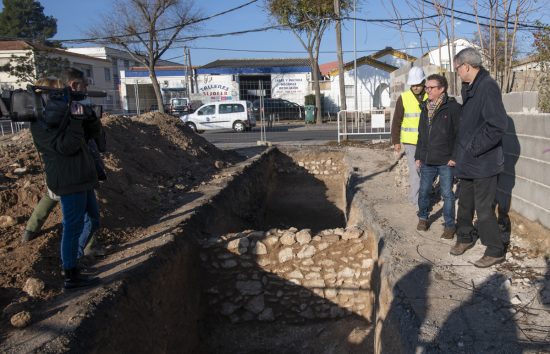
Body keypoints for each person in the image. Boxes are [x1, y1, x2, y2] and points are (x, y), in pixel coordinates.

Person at [31, 68, 102, 288]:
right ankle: (70, 273)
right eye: (56, 93)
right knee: (73, 226)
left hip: (82, 176)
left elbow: (92, 136)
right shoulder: (41, 122)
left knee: (93, 219)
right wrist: (74, 121)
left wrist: (86, 119)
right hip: (68, 180)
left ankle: (74, 259)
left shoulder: (66, 115)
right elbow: (66, 147)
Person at [450, 47, 508, 268]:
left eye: (457, 68)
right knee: (464, 204)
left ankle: (495, 250)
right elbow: (468, 126)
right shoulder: (470, 88)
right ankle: (464, 237)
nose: (457, 72)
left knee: (483, 208)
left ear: (466, 66)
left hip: (483, 161)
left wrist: (473, 148)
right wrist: (459, 153)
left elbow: (497, 125)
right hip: (467, 160)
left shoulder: (487, 87)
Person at [414, 74, 460, 239]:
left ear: (442, 89)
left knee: (447, 194)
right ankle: (423, 218)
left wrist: (454, 156)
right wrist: (418, 156)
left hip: (446, 160)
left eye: (431, 88)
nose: (427, 91)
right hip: (427, 159)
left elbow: (460, 135)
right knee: (424, 190)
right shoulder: (425, 107)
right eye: (426, 87)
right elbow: (421, 134)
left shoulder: (453, 108)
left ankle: (449, 226)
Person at [391, 66, 428, 207]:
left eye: (418, 84)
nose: (416, 87)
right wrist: (396, 141)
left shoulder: (430, 96)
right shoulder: (404, 98)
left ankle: (421, 196)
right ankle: (416, 200)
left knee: (426, 170)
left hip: (427, 142)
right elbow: (396, 121)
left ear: (423, 82)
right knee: (415, 171)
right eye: (413, 85)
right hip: (410, 142)